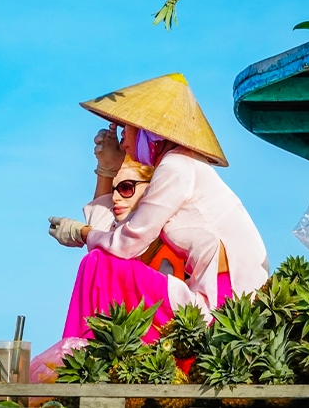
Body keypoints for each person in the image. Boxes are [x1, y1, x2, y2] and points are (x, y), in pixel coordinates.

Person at [49, 73, 269, 332]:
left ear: (147, 131)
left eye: (125, 129)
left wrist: (82, 233)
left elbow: (125, 245)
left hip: (223, 306)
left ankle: (79, 354)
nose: (121, 140)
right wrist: (107, 169)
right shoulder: (180, 166)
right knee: (100, 262)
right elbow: (116, 237)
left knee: (97, 264)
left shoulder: (176, 165)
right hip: (213, 299)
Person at [63, 153, 185, 341]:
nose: (115, 197)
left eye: (126, 188)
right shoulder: (128, 243)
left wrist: (85, 233)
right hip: (131, 340)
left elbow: (104, 252)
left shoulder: (170, 239)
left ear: (152, 189)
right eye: (113, 190)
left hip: (164, 343)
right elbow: (105, 239)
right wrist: (105, 167)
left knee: (99, 260)